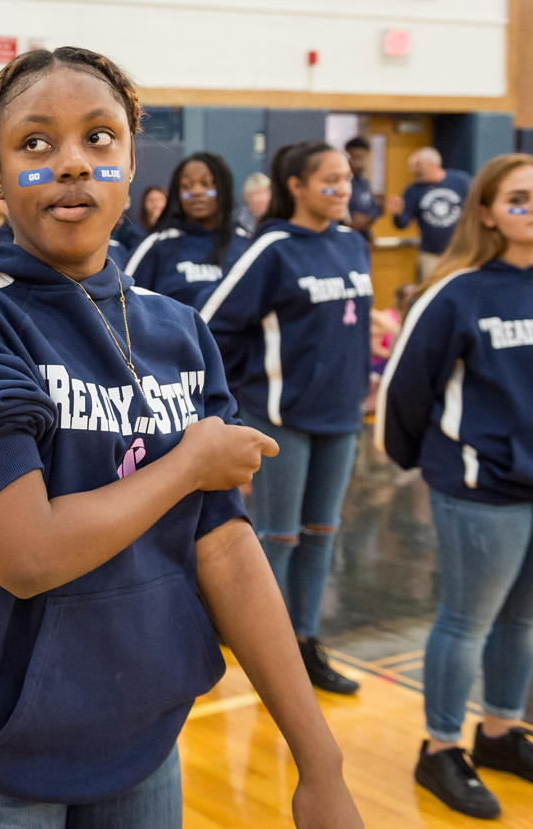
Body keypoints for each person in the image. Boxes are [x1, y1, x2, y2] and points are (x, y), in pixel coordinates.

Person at [0, 46, 361, 828]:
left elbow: (224, 547)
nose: (71, 164)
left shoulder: (178, 333)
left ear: (130, 162)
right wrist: (191, 461)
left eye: (100, 138)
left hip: (142, 733)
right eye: (36, 144)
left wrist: (319, 759)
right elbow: (29, 557)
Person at [378, 153, 533, 819]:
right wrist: (435, 466)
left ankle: (500, 734)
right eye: (520, 197)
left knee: (527, 619)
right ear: (488, 213)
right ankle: (441, 749)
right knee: (467, 622)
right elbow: (404, 394)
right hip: (482, 486)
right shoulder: (458, 292)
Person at [200, 140, 371, 696]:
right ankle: (260, 646)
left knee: (323, 533)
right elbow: (210, 325)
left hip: (342, 416)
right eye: (331, 179)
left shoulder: (354, 243)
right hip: (283, 418)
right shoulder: (272, 248)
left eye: (347, 178)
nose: (344, 188)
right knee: (278, 536)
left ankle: (305, 640)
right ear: (295, 186)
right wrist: (244, 395)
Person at [124, 152, 250, 310]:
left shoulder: (246, 245)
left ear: (224, 187)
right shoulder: (158, 245)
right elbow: (124, 303)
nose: (196, 191)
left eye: (206, 183)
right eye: (186, 186)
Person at [388, 147, 471, 280]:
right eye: (412, 167)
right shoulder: (412, 190)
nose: (414, 170)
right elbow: (402, 224)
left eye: (418, 166)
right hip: (431, 255)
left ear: (433, 164)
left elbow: (477, 208)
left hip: (461, 253)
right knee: (431, 293)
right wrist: (398, 214)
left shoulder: (460, 181)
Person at [345, 137, 382, 245]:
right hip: (345, 240)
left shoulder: (364, 183)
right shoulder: (340, 182)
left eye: (362, 158)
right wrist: (348, 221)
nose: (359, 163)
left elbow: (375, 207)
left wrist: (367, 218)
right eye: (355, 158)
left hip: (363, 240)